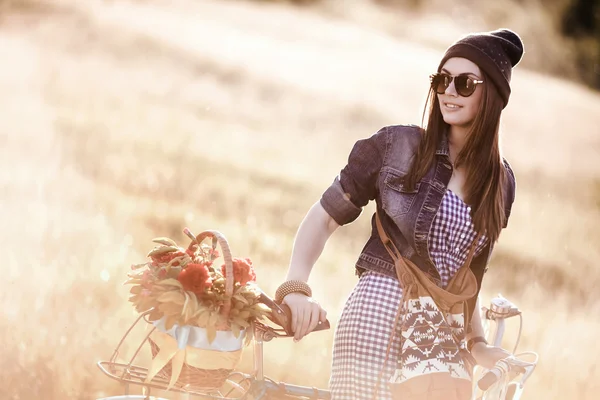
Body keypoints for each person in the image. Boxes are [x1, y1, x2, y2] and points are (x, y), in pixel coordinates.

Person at [274, 29, 524, 399]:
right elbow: (325, 216)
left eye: (465, 83)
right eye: (441, 79)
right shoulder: (399, 146)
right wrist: (296, 288)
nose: (449, 91)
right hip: (381, 314)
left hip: (441, 343)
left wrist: (478, 343)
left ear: (494, 97)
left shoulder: (500, 183)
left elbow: (468, 275)